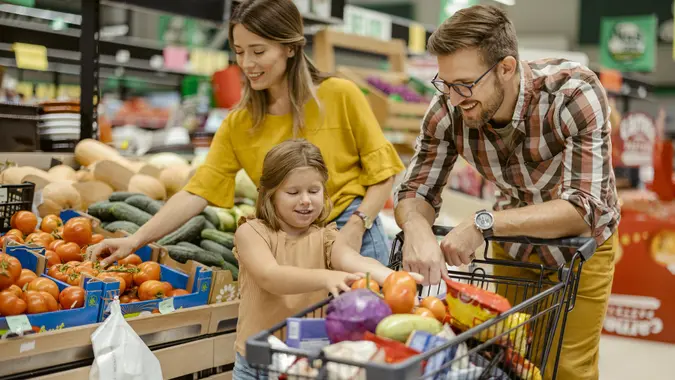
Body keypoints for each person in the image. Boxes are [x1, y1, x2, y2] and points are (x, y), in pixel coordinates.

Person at [394, 5, 619, 380]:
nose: (453, 98)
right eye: (445, 84)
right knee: (509, 358)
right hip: (513, 248)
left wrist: (483, 222)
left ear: (507, 67)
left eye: (465, 84)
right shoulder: (447, 110)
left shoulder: (572, 93)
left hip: (581, 249)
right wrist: (416, 229)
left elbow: (585, 207)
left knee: (566, 369)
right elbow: (416, 188)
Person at [89, 0, 404, 267]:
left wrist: (356, 225)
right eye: (240, 52)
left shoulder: (339, 95)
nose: (247, 63)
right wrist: (135, 240)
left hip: (353, 235)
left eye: (258, 51)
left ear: (290, 48)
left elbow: (382, 174)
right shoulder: (240, 123)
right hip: (289, 246)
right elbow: (196, 192)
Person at [230, 139, 421, 379]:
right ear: (270, 194)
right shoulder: (251, 232)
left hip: (305, 365)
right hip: (255, 364)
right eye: (293, 192)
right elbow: (271, 276)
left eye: (313, 191)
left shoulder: (325, 237)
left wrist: (395, 279)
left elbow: (352, 260)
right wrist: (326, 277)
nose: (306, 200)